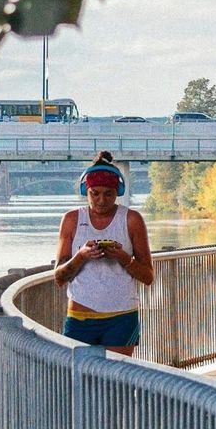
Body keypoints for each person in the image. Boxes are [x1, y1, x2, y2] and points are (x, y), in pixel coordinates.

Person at [55, 152, 155, 356]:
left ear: (118, 192)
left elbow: (148, 276)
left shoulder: (132, 219)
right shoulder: (72, 219)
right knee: (78, 378)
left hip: (122, 316)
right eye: (95, 193)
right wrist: (81, 256)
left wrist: (122, 257)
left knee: (117, 380)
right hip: (80, 316)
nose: (101, 201)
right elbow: (59, 277)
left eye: (108, 194)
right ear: (86, 190)